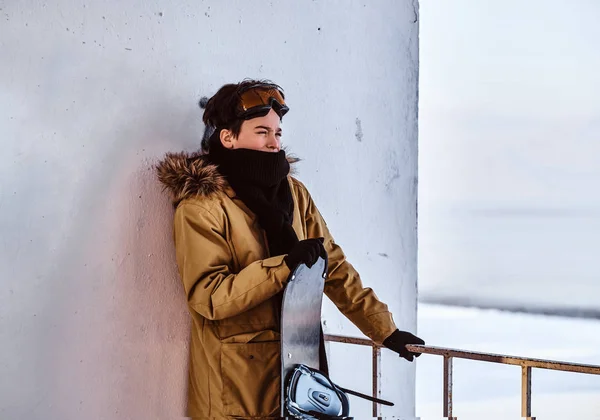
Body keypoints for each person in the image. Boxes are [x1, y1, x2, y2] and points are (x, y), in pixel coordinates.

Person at [156, 79, 425, 419]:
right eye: (261, 132)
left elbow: (334, 267)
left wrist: (384, 330)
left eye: (278, 133)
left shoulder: (293, 194)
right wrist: (285, 266)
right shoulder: (203, 206)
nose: (273, 143)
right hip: (236, 390)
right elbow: (209, 297)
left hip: (298, 377)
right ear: (228, 137)